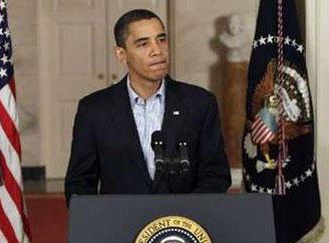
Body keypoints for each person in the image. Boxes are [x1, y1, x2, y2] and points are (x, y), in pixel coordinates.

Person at [64, 9, 231, 205]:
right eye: (143, 44)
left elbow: (216, 175)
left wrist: (185, 216)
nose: (157, 51)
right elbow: (80, 184)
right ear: (121, 55)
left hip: (181, 228)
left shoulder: (200, 103)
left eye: (161, 40)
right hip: (119, 226)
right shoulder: (94, 110)